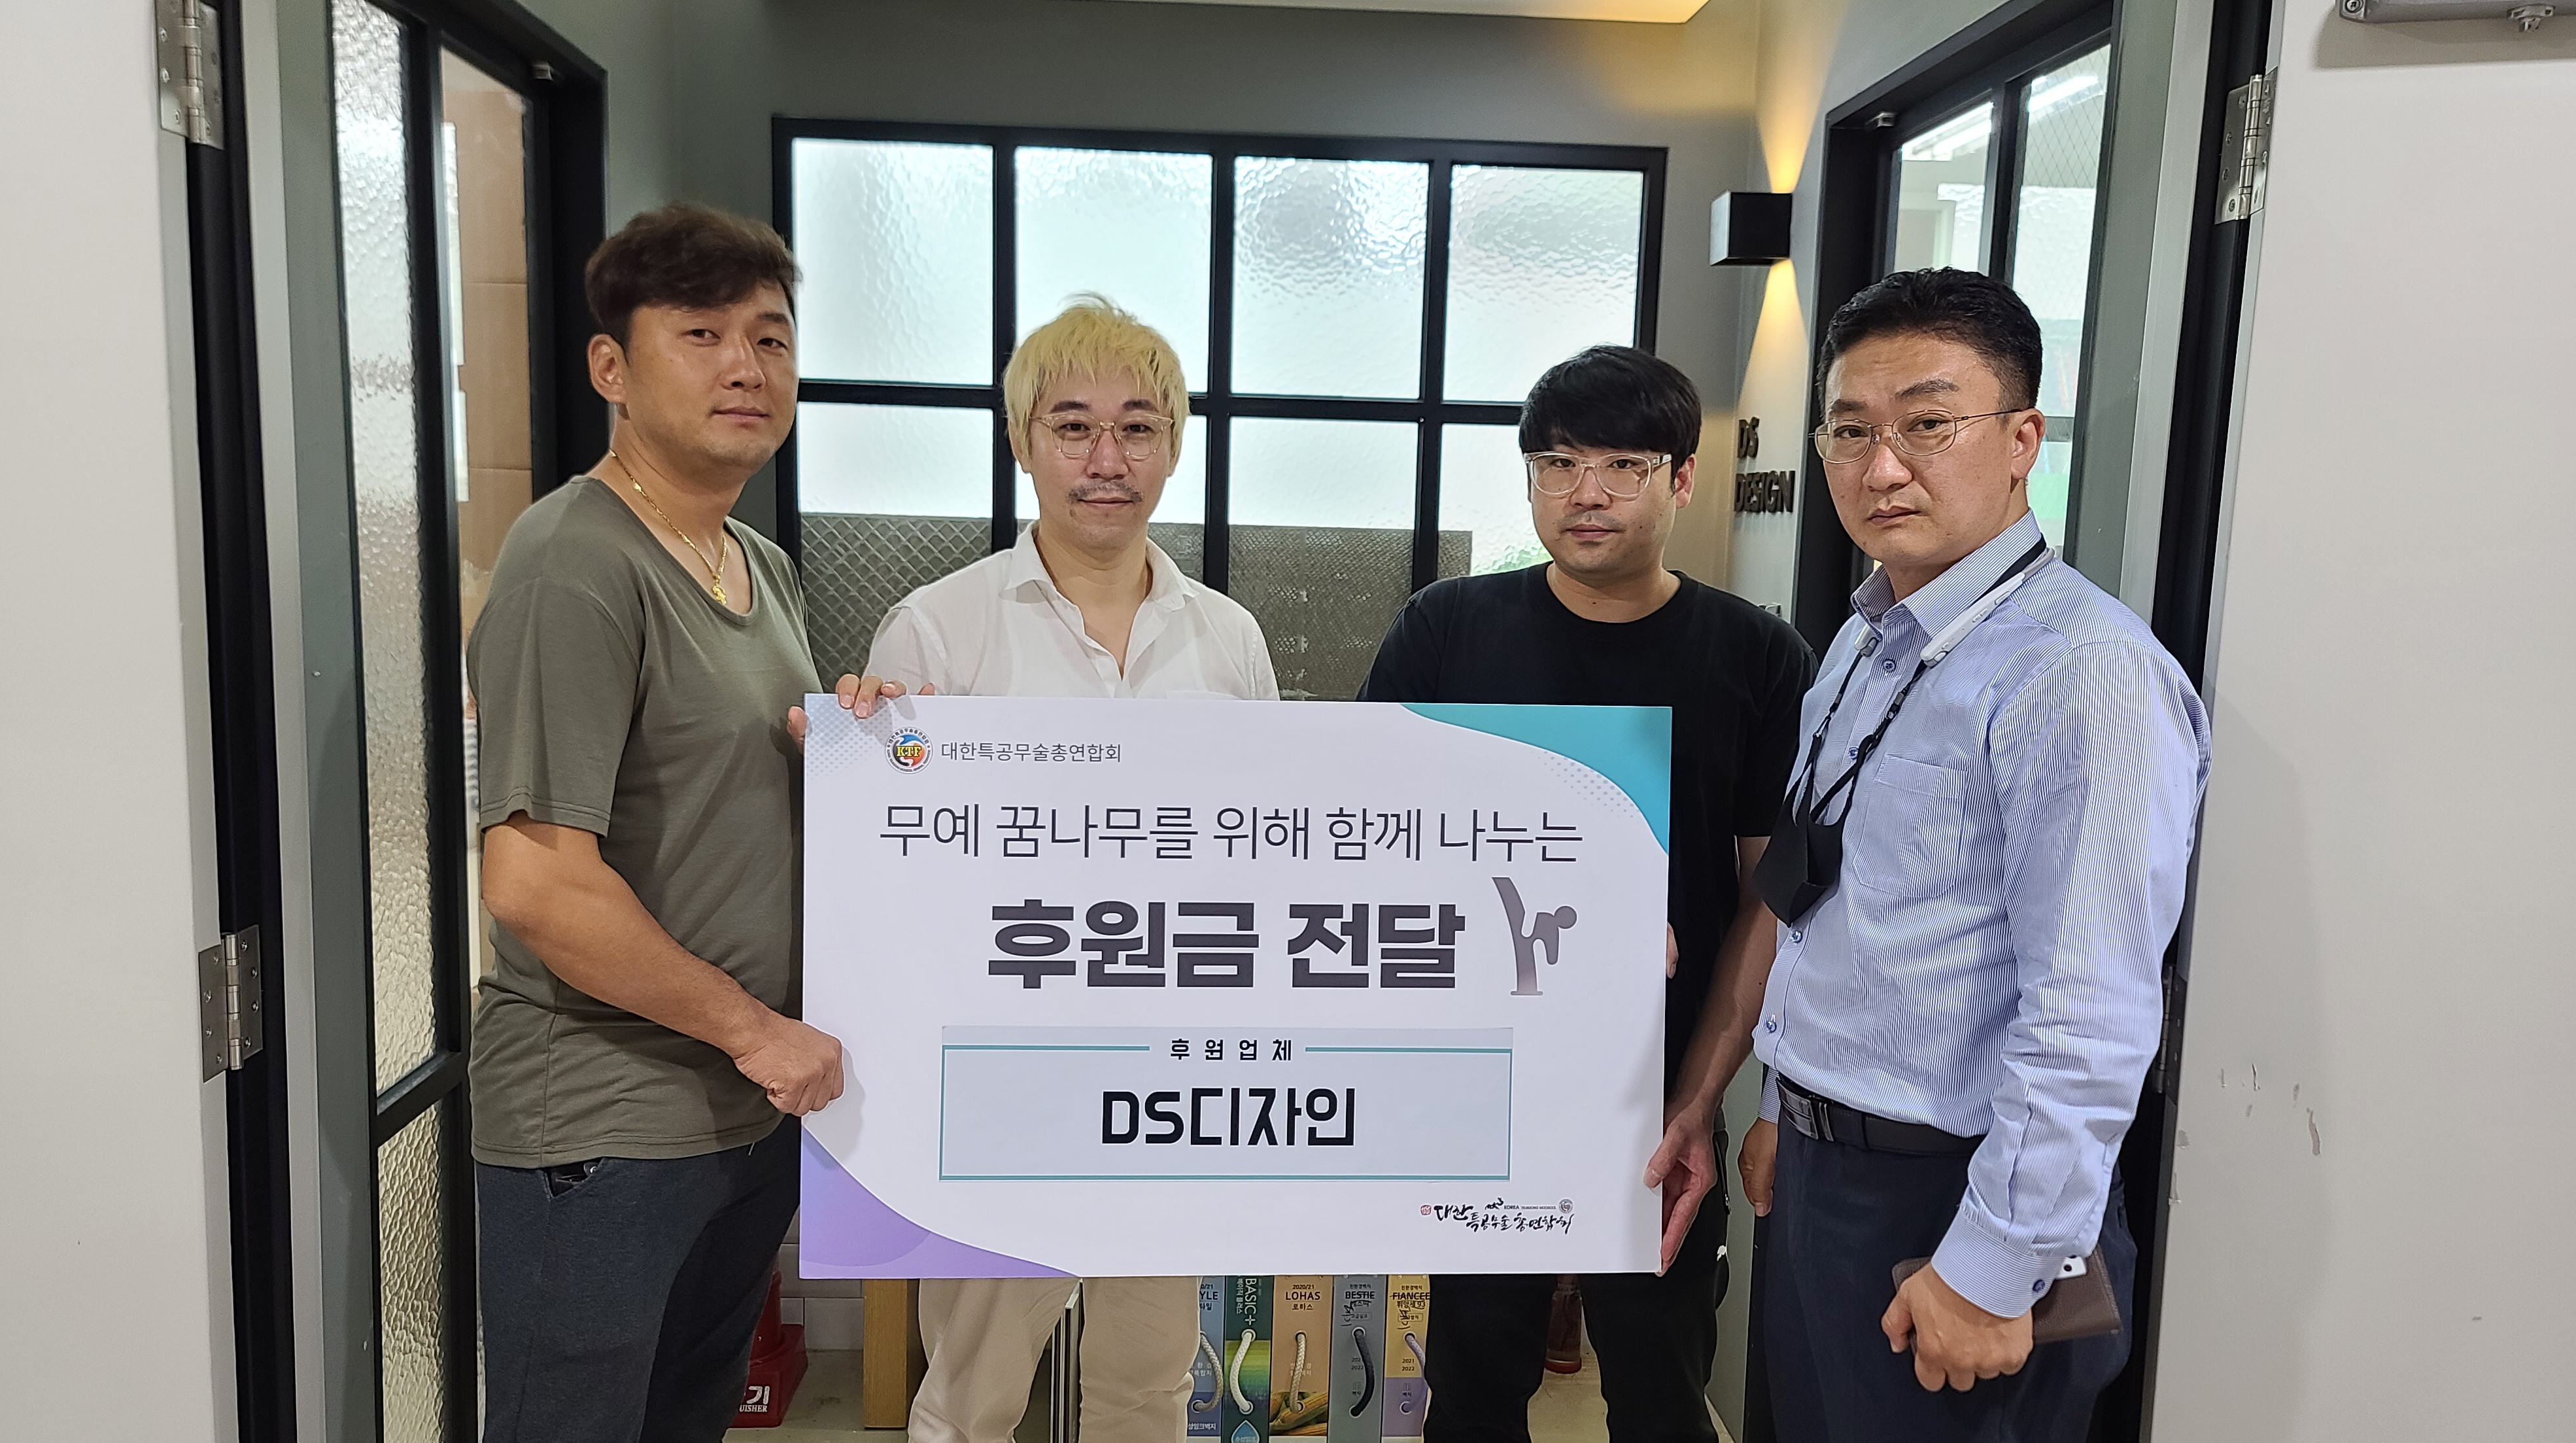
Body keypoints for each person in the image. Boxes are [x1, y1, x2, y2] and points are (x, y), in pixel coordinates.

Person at [1734, 268, 2210, 1440]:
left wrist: (1995, 1268)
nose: (1882, 468)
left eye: (1929, 425)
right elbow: (1832, 909)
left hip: (1957, 1201)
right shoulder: (1867, 638)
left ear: (2022, 441)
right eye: (1851, 431)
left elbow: (2092, 1008)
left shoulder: (2081, 674)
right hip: (1829, 1172)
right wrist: (1784, 1101)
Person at [823, 296, 1277, 1443]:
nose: (1105, 459)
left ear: (1175, 446)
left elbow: (1268, 850)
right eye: (1072, 426)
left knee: (1149, 1381)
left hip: (1177, 1075)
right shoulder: (936, 629)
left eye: (1138, 427)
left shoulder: (1228, 639)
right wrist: (865, 758)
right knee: (971, 1392)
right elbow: (893, 879)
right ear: (1022, 442)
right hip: (999, 1077)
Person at [1357, 345, 1814, 1443]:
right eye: (1557, 465)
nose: (1586, 492)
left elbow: (1771, 899)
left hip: (1662, 1093)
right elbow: (1367, 838)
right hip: (1480, 1082)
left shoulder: (1758, 655)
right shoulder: (1446, 630)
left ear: (1683, 478)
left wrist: (1707, 1093)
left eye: (1622, 464)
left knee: (1660, 1387)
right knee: (1472, 1386)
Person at [468, 205, 845, 1442]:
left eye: (771, 338)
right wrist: (756, 1032)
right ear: (611, 368)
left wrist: (865, 745)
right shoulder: (574, 561)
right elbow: (535, 882)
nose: (747, 367)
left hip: (737, 1118)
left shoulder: (756, 564)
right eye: (701, 334)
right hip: (602, 1126)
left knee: (687, 1420)